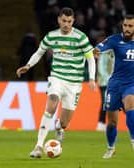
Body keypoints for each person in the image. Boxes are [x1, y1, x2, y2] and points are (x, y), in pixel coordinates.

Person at [16, 7, 96, 158]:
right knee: (51, 105)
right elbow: (39, 51)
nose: (66, 24)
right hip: (57, 78)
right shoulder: (51, 36)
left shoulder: (81, 37)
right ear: (59, 20)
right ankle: (38, 147)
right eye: (64, 21)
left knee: (65, 123)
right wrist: (28, 65)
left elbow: (90, 58)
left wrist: (91, 78)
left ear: (73, 21)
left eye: (69, 22)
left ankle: (59, 126)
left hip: (74, 84)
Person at [93, 14, 134, 159]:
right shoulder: (116, 39)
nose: (127, 29)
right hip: (115, 84)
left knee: (131, 108)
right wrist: (96, 50)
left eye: (130, 26)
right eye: (125, 25)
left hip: (131, 84)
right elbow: (101, 46)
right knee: (112, 122)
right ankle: (111, 148)